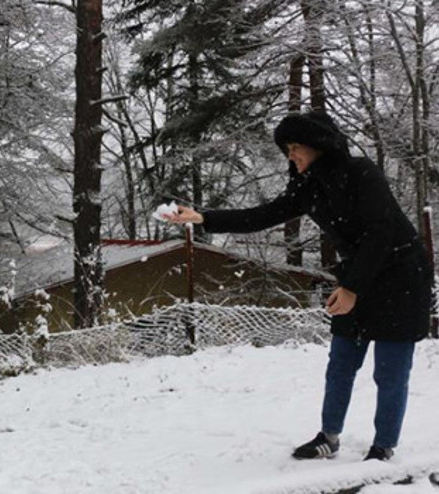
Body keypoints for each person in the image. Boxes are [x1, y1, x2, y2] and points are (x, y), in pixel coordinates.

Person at [162, 111, 432, 461]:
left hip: (400, 273)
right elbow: (263, 215)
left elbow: (380, 233)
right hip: (357, 273)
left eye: (294, 146)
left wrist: (352, 289)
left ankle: (383, 447)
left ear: (318, 144)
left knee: (390, 370)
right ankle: (329, 437)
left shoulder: (361, 173)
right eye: (286, 148)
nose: (290, 155)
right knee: (341, 362)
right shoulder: (308, 187)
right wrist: (203, 218)